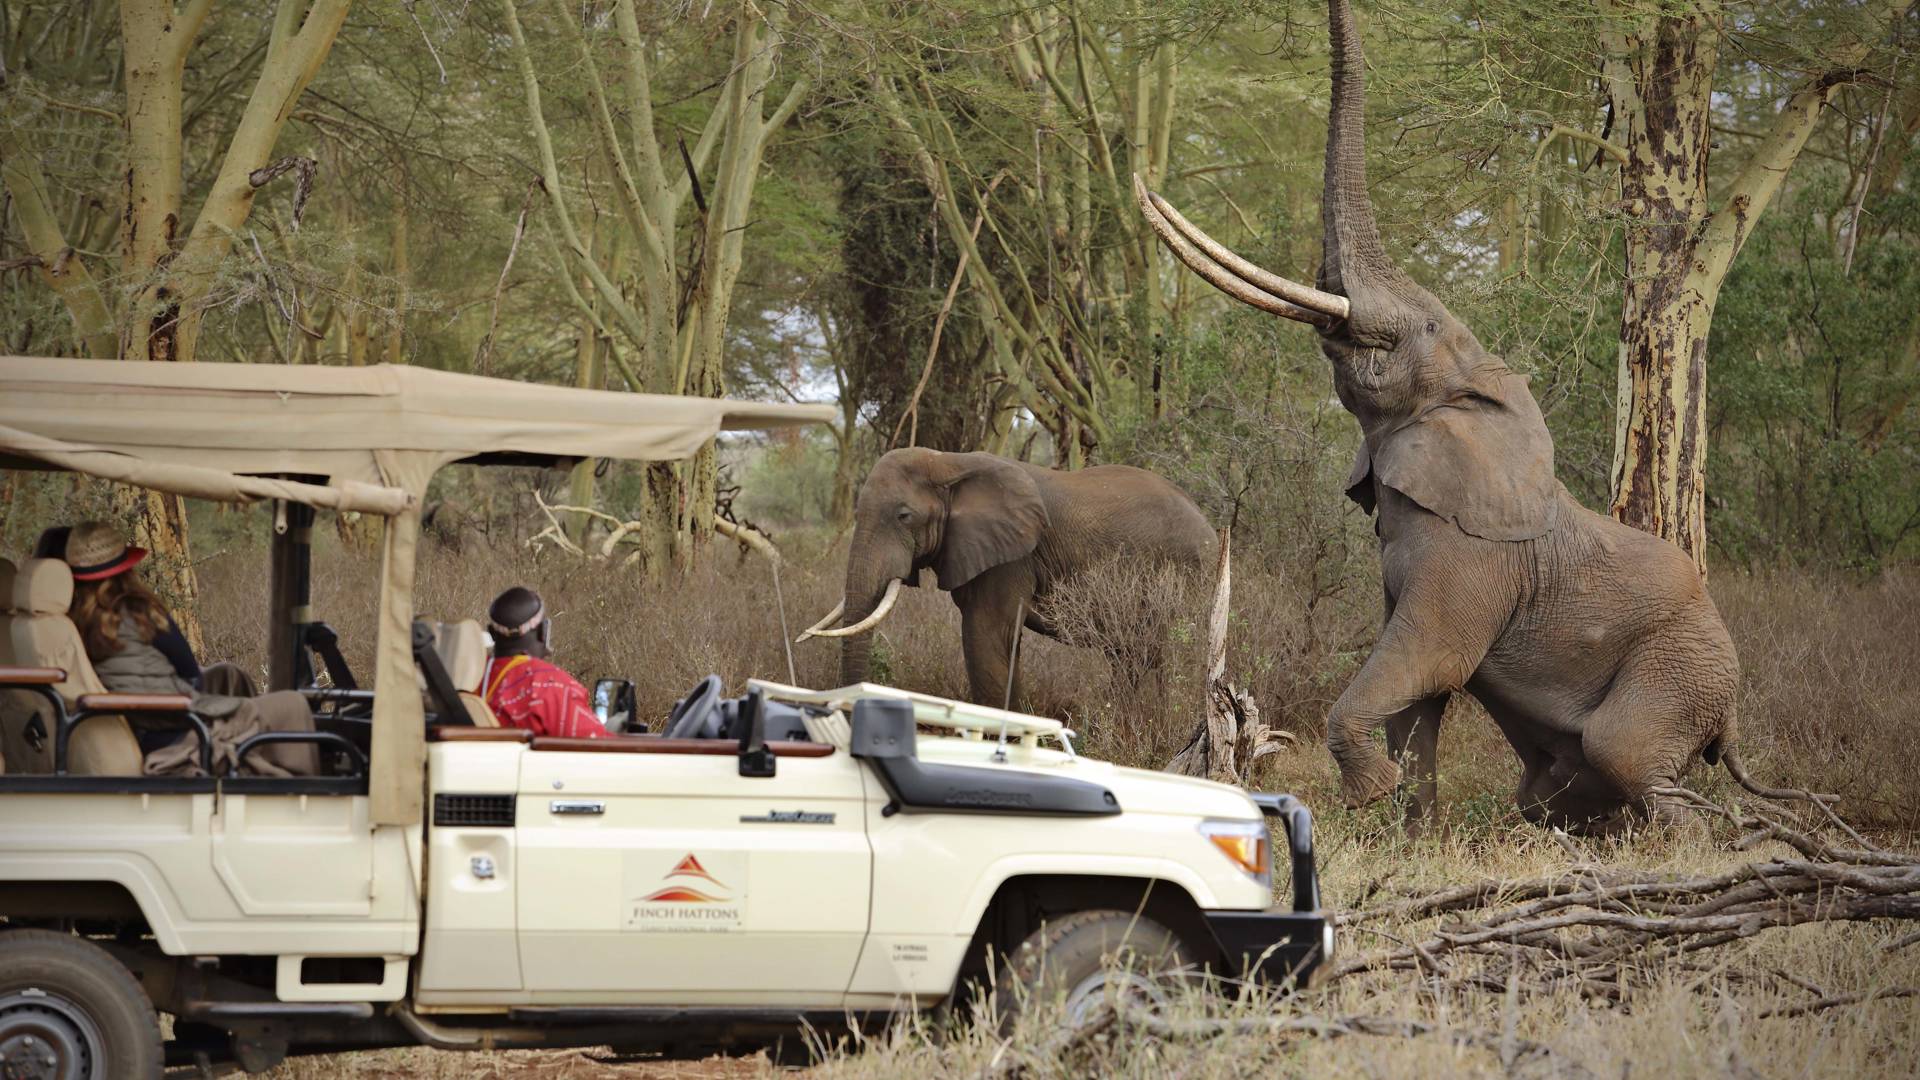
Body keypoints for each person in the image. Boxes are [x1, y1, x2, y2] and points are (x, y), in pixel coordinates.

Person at [62, 521, 318, 776]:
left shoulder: (71, 622)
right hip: (176, 728)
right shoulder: (139, 611)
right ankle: (300, 792)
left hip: (141, 724)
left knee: (229, 674)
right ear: (124, 570)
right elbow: (188, 671)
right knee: (292, 704)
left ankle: (257, 763)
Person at [482, 586, 611, 739]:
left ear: (492, 633)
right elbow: (596, 743)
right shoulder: (548, 685)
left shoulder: (472, 676)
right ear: (543, 632)